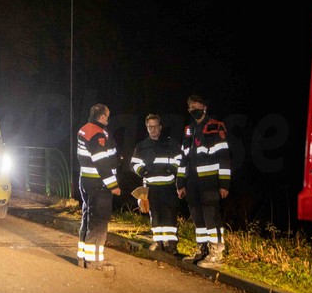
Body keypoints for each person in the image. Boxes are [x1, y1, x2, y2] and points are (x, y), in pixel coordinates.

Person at [176, 94, 231, 268]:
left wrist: (224, 184)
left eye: (197, 105)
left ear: (204, 106)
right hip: (192, 183)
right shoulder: (188, 130)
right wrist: (180, 183)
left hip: (210, 182)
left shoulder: (216, 126)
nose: (194, 109)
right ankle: (203, 250)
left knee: (211, 217)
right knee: (198, 218)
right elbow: (183, 158)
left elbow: (224, 157)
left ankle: (216, 253)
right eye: (191, 106)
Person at [76, 103, 121, 270]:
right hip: (99, 184)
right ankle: (94, 260)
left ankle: (83, 257)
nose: (108, 119)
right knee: (99, 221)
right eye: (107, 116)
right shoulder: (97, 133)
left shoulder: (85, 129)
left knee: (88, 218)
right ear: (101, 117)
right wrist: (113, 185)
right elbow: (101, 161)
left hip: (87, 181)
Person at [131, 114, 181, 254]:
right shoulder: (141, 146)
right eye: (150, 127)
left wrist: (171, 169)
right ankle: (158, 242)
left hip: (168, 186)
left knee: (169, 215)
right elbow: (133, 163)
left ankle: (172, 245)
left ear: (160, 127)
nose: (153, 129)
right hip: (151, 187)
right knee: (155, 215)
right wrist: (143, 171)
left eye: (155, 126)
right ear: (147, 128)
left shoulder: (171, 143)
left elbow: (180, 160)